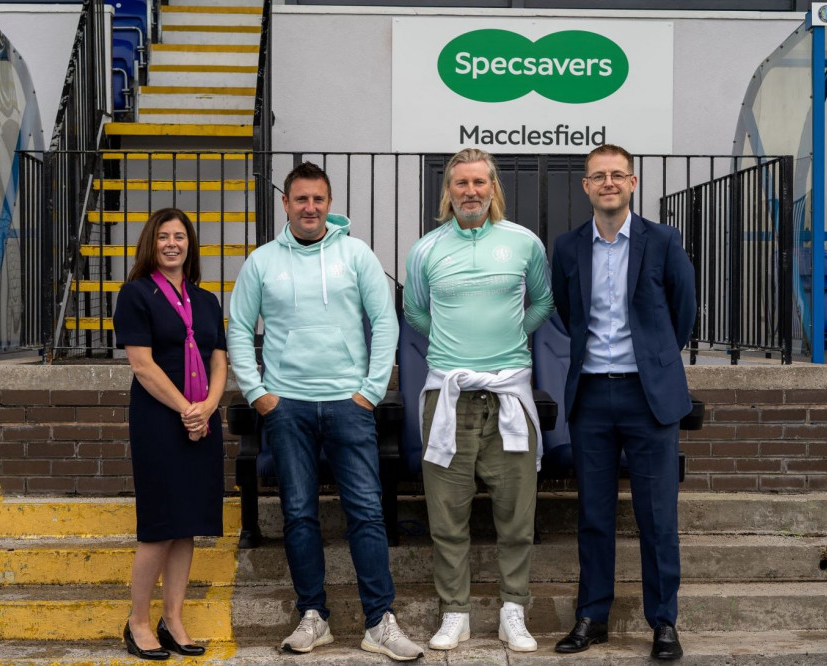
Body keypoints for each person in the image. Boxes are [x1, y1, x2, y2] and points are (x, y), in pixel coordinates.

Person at [227, 162, 423, 662]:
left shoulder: (356, 255)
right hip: (286, 404)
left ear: (329, 204)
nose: (309, 208)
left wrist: (370, 391)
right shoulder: (262, 261)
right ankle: (312, 616)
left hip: (348, 404)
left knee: (366, 511)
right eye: (300, 200)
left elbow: (385, 322)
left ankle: (379, 622)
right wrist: (258, 392)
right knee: (298, 514)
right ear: (286, 205)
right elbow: (239, 328)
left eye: (318, 199)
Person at [403, 148, 554, 653]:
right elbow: (415, 312)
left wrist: (511, 336)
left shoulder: (524, 243)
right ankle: (456, 614)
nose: (470, 192)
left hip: (509, 396)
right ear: (448, 191)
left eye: (479, 182)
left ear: (494, 188)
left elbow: (544, 302)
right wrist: (453, 347)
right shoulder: (426, 249)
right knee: (447, 517)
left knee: (517, 515)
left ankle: (514, 610)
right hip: (448, 399)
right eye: (461, 183)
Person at [550, 144, 696, 661]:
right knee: (593, 514)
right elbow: (567, 315)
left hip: (648, 397)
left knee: (657, 516)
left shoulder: (663, 240)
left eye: (617, 175)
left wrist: (654, 361)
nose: (608, 182)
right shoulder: (567, 248)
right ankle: (592, 616)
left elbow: (682, 312)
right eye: (598, 176)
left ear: (633, 183)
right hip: (590, 395)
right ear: (585, 186)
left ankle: (664, 623)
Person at [112, 208, 228, 661]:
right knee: (159, 527)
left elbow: (218, 359)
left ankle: (173, 619)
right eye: (164, 237)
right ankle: (138, 622)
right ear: (151, 243)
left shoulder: (206, 300)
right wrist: (186, 410)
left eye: (180, 236)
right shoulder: (135, 294)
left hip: (202, 417)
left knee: (188, 527)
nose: (173, 244)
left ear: (189, 244)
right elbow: (141, 365)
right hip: (161, 420)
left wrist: (209, 407)